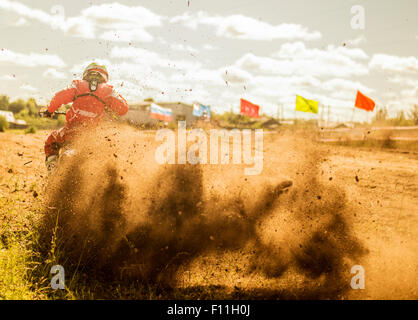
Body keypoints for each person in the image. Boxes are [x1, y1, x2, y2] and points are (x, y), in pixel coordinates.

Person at [42, 62, 129, 170]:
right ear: (105, 76)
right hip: (91, 136)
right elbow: (124, 108)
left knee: (51, 141)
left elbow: (60, 96)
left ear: (86, 73)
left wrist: (49, 110)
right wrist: (108, 105)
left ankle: (53, 170)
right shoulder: (109, 91)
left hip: (71, 130)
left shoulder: (78, 84)